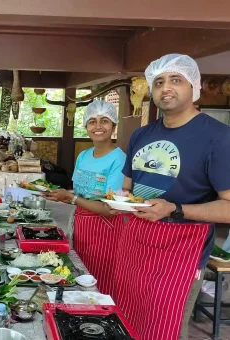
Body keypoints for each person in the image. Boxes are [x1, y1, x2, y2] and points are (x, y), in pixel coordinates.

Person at [113, 54, 230, 340]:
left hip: (180, 250)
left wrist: (174, 209)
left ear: (194, 86)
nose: (166, 87)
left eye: (176, 80)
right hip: (135, 242)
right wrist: (120, 197)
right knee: (127, 316)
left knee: (164, 326)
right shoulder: (141, 135)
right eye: (159, 82)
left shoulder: (218, 137)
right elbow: (128, 187)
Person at [43, 100, 126, 295]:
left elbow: (109, 208)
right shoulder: (84, 155)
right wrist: (61, 195)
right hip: (81, 223)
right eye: (92, 121)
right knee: (81, 270)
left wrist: (71, 199)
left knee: (100, 278)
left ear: (113, 126)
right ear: (86, 126)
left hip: (105, 228)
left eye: (104, 121)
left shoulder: (119, 159)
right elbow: (79, 193)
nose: (98, 126)